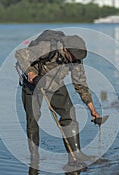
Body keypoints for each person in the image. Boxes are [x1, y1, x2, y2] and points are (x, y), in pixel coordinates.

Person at [15, 30, 100, 165]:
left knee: (69, 114)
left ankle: (75, 155)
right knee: (33, 118)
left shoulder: (76, 58)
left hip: (54, 84)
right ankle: (34, 158)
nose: (76, 60)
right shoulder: (47, 47)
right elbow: (20, 54)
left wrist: (91, 108)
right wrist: (31, 73)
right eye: (73, 57)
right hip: (33, 83)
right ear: (65, 49)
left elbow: (80, 83)